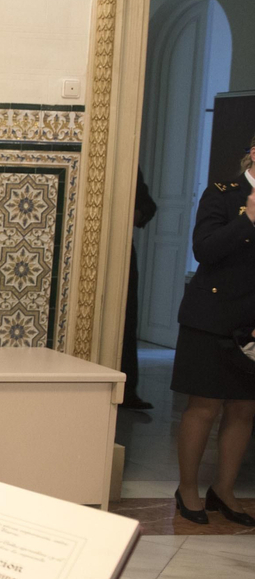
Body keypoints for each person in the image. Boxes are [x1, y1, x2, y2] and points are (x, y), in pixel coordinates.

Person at [169, 140, 255, 526]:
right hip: (211, 315)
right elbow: (204, 250)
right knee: (204, 407)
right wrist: (248, 220)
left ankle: (224, 490)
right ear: (254, 153)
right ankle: (188, 489)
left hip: (251, 321)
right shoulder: (222, 194)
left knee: (244, 408)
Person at [122, 172, 158, 410]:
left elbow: (147, 205)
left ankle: (127, 389)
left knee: (127, 318)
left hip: (123, 246)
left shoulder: (131, 169)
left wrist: (133, 216)